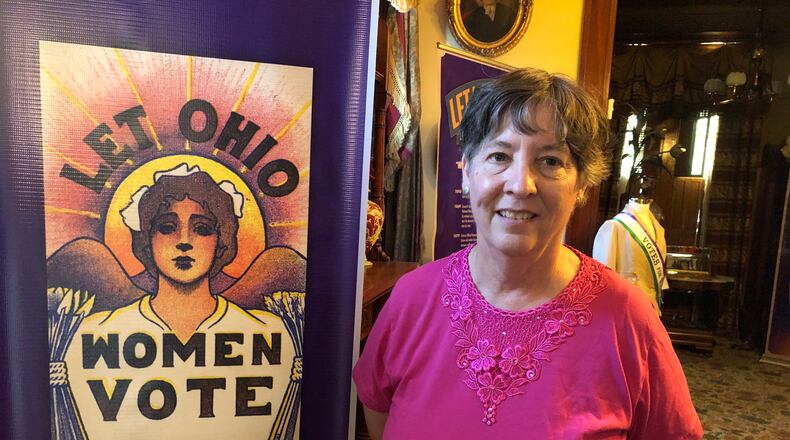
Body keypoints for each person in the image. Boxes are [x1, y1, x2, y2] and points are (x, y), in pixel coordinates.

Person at [353, 68, 703, 439]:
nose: (521, 185)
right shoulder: (411, 298)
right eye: (499, 156)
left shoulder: (628, 319)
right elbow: (378, 414)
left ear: (581, 184)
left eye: (550, 161)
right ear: (468, 171)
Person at [65, 164, 295, 438]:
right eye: (166, 227)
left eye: (202, 228)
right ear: (146, 239)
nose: (184, 241)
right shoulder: (94, 332)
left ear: (222, 240)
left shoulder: (270, 332)